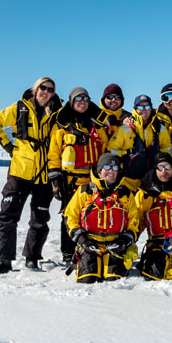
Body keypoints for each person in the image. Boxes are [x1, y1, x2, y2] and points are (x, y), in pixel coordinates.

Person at [0, 77, 62, 275]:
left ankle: (32, 259)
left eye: (50, 89)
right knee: (7, 216)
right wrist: (8, 146)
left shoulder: (56, 113)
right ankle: (4, 261)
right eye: (42, 88)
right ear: (36, 90)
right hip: (20, 172)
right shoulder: (20, 108)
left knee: (39, 219)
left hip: (44, 174)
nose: (45, 92)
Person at [48, 87, 109, 264]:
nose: (82, 102)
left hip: (93, 180)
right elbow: (54, 154)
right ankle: (68, 253)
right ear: (71, 101)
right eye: (78, 99)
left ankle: (89, 250)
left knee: (92, 214)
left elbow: (104, 148)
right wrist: (55, 181)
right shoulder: (62, 126)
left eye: (85, 99)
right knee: (69, 217)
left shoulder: (96, 124)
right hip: (71, 180)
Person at [64, 152, 140, 283]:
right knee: (87, 279)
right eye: (107, 167)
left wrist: (124, 240)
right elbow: (70, 216)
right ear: (99, 170)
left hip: (115, 247)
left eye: (115, 168)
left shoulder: (125, 194)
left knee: (114, 280)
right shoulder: (85, 191)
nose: (111, 171)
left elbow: (134, 220)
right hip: (90, 245)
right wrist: (83, 241)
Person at [117, 94, 172, 191]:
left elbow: (167, 149)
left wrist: (160, 159)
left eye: (147, 107)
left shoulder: (159, 128)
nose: (144, 110)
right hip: (129, 179)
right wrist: (126, 158)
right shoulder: (125, 128)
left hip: (153, 179)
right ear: (135, 109)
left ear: (151, 108)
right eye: (140, 107)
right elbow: (112, 150)